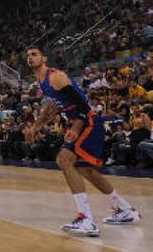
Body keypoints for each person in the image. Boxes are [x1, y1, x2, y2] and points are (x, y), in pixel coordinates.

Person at [24, 46, 141, 237]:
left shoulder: (56, 77)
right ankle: (125, 209)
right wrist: (35, 127)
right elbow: (52, 107)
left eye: (34, 54)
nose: (30, 58)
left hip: (87, 121)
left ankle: (86, 219)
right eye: (28, 56)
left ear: (44, 58)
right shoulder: (41, 82)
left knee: (64, 160)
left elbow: (82, 105)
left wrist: (76, 128)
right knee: (85, 170)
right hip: (82, 122)